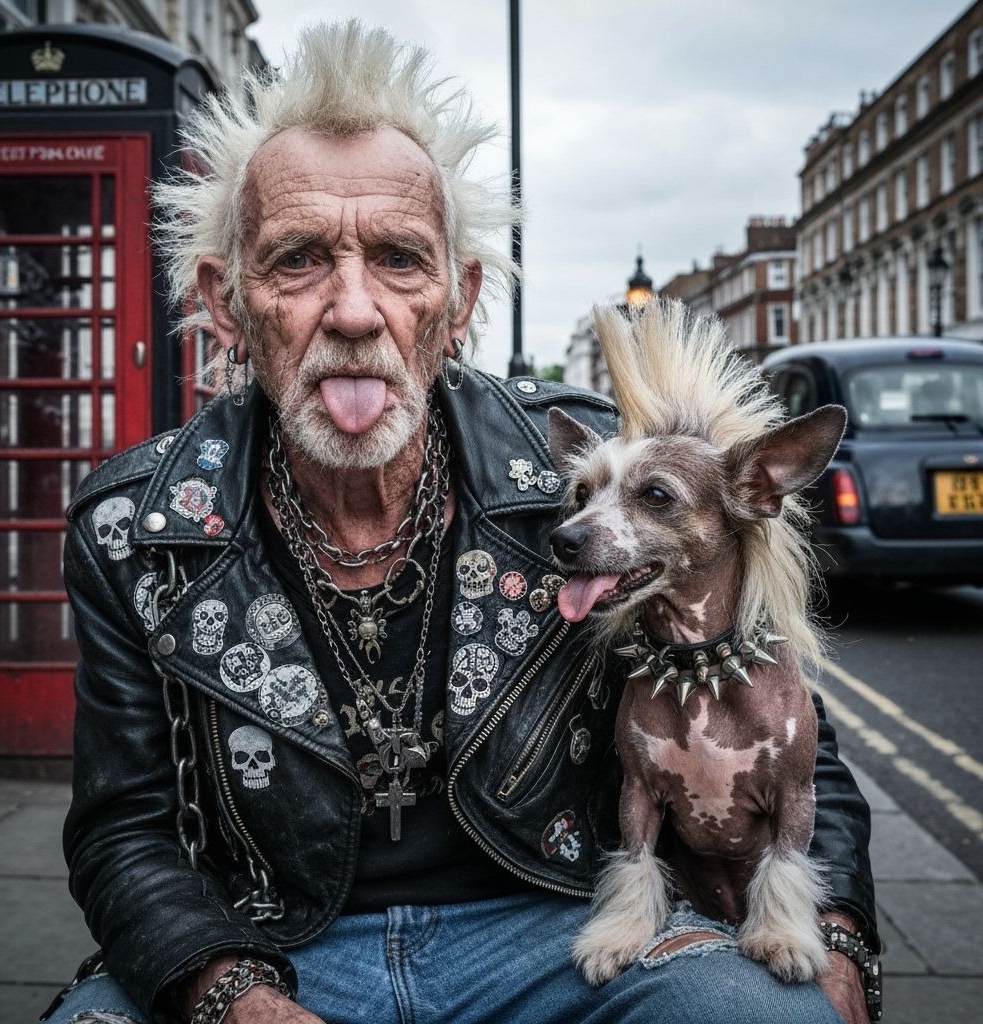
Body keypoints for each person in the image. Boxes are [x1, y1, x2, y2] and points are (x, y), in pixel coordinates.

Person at [50, 21, 879, 1024]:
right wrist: (233, 998)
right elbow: (122, 832)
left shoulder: (581, 487)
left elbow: (785, 731)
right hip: (263, 940)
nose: (354, 311)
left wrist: (838, 943)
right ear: (228, 303)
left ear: (459, 299)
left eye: (400, 259)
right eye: (301, 260)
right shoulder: (132, 529)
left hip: (554, 926)